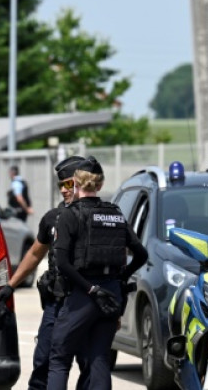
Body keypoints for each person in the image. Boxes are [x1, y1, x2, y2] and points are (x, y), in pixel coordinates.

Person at [0, 156, 90, 390]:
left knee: (90, 365)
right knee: (43, 361)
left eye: (69, 184)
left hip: (85, 302)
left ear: (83, 182)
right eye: (61, 185)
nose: (64, 190)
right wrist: (10, 285)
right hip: (56, 303)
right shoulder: (52, 218)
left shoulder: (96, 216)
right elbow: (35, 254)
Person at [47, 156, 149, 390]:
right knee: (99, 358)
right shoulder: (115, 213)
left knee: (59, 358)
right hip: (111, 294)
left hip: (82, 294)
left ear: (76, 183)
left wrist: (89, 288)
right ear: (100, 185)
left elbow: (62, 262)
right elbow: (141, 254)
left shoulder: (70, 215)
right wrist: (121, 278)